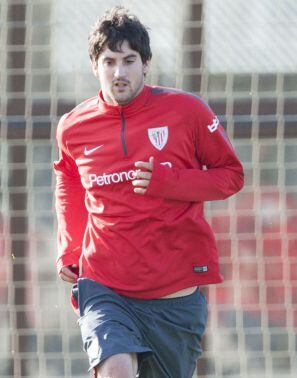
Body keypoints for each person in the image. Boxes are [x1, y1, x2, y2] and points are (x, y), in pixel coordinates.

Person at [53, 6, 244, 378]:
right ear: (95, 66)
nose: (119, 73)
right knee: (117, 369)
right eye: (109, 61)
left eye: (129, 60)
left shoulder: (186, 111)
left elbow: (232, 176)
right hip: (104, 283)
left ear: (146, 64)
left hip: (174, 295)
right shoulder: (73, 127)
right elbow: (68, 179)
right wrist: (70, 247)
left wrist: (170, 183)